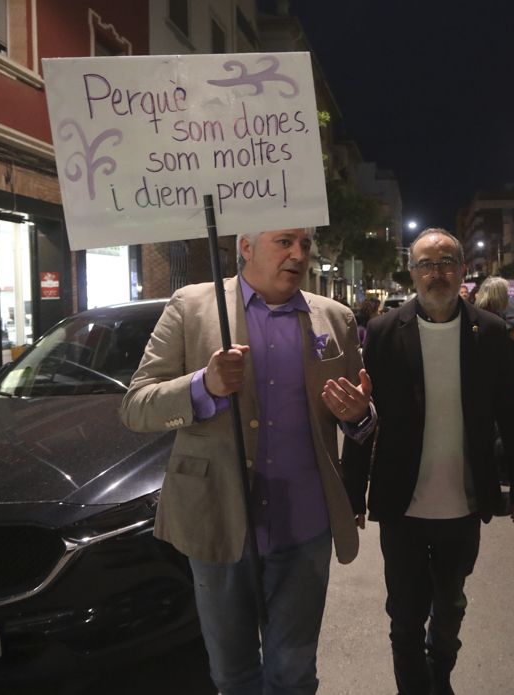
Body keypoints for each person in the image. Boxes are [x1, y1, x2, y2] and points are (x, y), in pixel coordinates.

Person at [120, 228, 373, 695]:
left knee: (294, 675)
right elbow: (137, 406)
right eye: (284, 242)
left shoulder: (334, 318)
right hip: (216, 520)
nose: (298, 254)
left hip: (304, 527)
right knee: (232, 675)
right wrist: (204, 385)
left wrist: (359, 416)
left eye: (305, 245)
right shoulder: (191, 307)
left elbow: (359, 415)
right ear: (246, 247)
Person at [341, 228, 514, 695]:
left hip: (463, 505)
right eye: (426, 264)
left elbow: (511, 416)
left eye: (447, 262)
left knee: (450, 607)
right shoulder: (384, 332)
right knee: (404, 616)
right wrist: (352, 495)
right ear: (412, 273)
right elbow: (363, 413)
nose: (437, 273)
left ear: (463, 270)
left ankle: (439, 674)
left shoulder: (491, 333)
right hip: (402, 505)